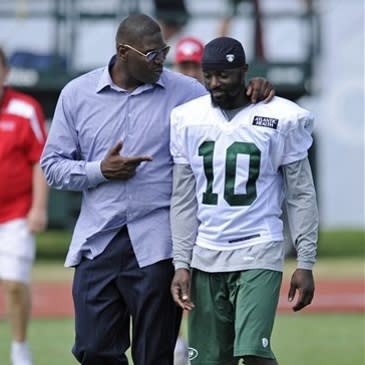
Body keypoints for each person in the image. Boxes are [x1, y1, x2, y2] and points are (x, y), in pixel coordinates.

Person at [40, 14, 274, 365]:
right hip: (98, 241)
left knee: (155, 356)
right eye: (152, 54)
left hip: (157, 246)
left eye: (163, 50)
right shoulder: (76, 94)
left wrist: (255, 91)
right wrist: (99, 170)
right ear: (123, 52)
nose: (162, 60)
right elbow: (52, 167)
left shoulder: (188, 93)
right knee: (92, 350)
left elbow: (231, 113)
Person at [170, 36, 319, 365]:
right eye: (208, 75)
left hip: (257, 249)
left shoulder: (280, 116)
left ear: (243, 72)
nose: (214, 84)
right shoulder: (187, 119)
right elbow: (183, 199)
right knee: (207, 361)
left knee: (254, 354)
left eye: (223, 75)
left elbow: (300, 193)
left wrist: (305, 261)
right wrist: (182, 262)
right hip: (206, 255)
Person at [0, 47, 48, 365]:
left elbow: (40, 161)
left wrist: (39, 207)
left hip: (16, 212)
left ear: (4, 72)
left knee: (15, 283)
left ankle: (20, 349)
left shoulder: (25, 109)